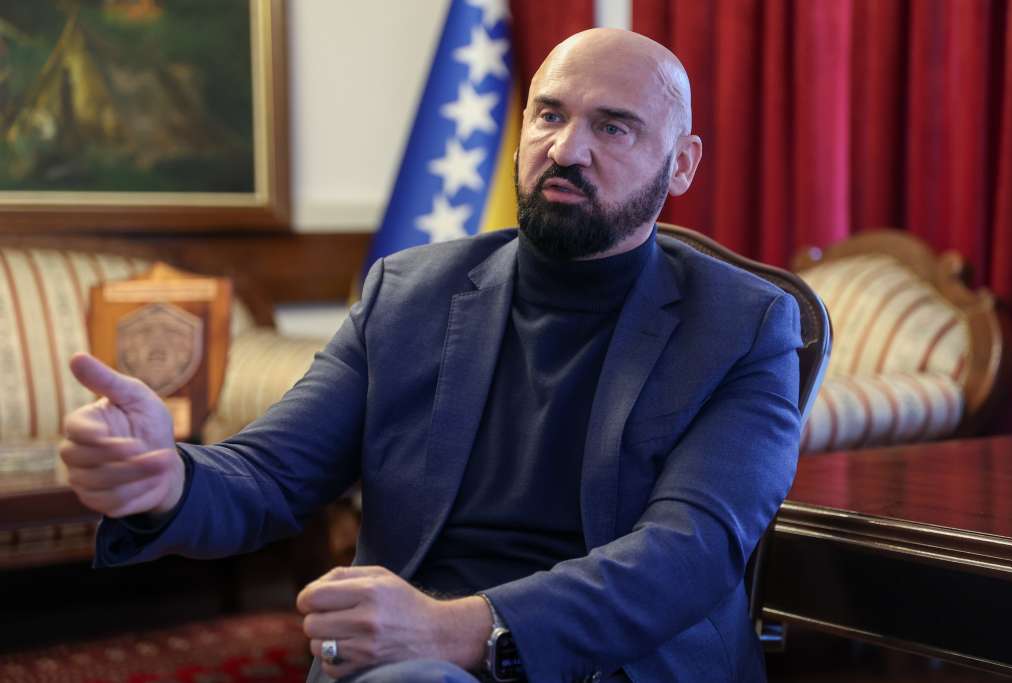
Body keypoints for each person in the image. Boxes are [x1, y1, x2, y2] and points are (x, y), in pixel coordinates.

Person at [60, 28, 802, 683]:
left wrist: (461, 627)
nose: (567, 149)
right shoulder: (410, 293)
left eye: (613, 127)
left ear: (681, 164)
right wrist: (168, 478)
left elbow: (688, 552)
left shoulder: (745, 325)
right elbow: (272, 472)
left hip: (620, 660)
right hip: (407, 654)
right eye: (550, 114)